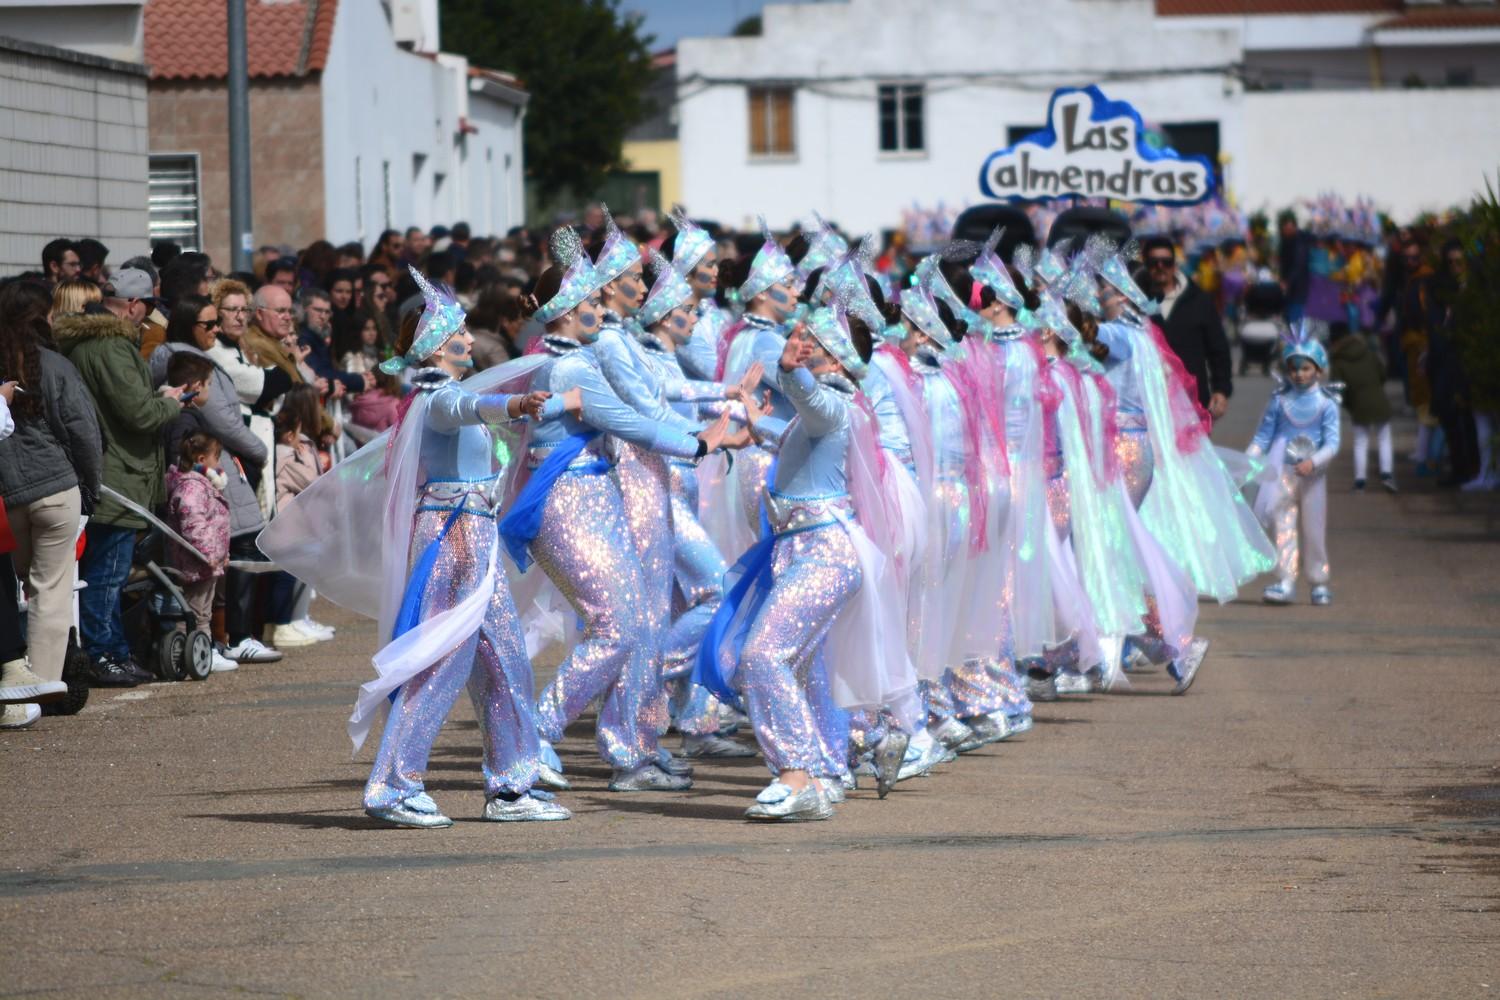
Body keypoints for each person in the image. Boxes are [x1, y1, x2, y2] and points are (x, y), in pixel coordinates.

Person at [260, 266, 570, 828]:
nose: (470, 342)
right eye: (459, 339)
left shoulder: (448, 392)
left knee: (505, 662)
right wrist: (515, 407)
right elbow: (463, 411)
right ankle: (394, 786)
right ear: (434, 350)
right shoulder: (436, 397)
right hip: (453, 537)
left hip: (476, 534)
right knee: (440, 661)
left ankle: (511, 785)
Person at [54, 274, 185, 680]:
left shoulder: (85, 343)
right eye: (148, 304)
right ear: (132, 304)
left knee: (102, 571)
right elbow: (139, 413)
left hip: (107, 471)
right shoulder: (111, 346)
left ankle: (108, 650)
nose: (149, 314)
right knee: (107, 573)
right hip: (118, 474)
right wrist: (171, 403)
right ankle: (106, 653)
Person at [0, 279, 107, 701]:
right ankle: (38, 684)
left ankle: (13, 670)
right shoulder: (53, 364)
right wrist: (91, 486)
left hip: (7, 497)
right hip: (56, 489)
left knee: (16, 588)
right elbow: (84, 432)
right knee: (50, 590)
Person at [152, 311, 277, 665]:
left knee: (200, 597)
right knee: (198, 599)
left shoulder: (185, 416)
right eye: (209, 387)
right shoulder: (187, 423)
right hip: (199, 540)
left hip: (200, 532)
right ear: (194, 387)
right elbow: (189, 499)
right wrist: (210, 548)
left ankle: (203, 643)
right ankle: (202, 645)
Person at [1247, 326, 1341, 606]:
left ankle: (1318, 579)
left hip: (1313, 474)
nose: (1299, 373)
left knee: (1314, 527)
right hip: (1281, 471)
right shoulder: (1279, 401)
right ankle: (1286, 578)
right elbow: (1263, 436)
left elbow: (1333, 442)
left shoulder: (1327, 405)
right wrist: (1248, 460)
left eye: (1306, 367)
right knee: (1282, 523)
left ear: (1319, 369)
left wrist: (1314, 461)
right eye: (1294, 368)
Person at [266, 385, 333, 648]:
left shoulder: (287, 450)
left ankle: (291, 621)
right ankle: (284, 624)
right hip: (287, 522)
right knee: (286, 574)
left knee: (294, 572)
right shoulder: (285, 454)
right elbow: (310, 480)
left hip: (292, 520)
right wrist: (304, 455)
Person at [1141, 236, 1232, 418]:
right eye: (1154, 262)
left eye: (1166, 262)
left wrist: (1221, 390)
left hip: (1193, 403)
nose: (1160, 267)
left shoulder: (1199, 301)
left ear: (1174, 265)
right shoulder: (1137, 302)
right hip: (1149, 403)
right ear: (1145, 266)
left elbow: (1218, 349)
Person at [164, 432, 232, 667]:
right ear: (202, 459)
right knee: (195, 611)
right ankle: (196, 655)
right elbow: (194, 525)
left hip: (207, 560)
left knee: (203, 611)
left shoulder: (200, 485)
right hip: (197, 562)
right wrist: (211, 554)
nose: (220, 463)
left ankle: (200, 651)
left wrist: (221, 553)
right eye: (217, 457)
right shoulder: (192, 488)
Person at [1328, 321, 1394, 493]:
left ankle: (1360, 482)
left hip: (1358, 404)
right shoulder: (1369, 352)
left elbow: (1337, 390)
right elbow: (1383, 374)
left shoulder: (1338, 362)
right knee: (1384, 438)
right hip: (1379, 400)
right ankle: (1387, 475)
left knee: (1360, 442)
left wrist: (1347, 404)